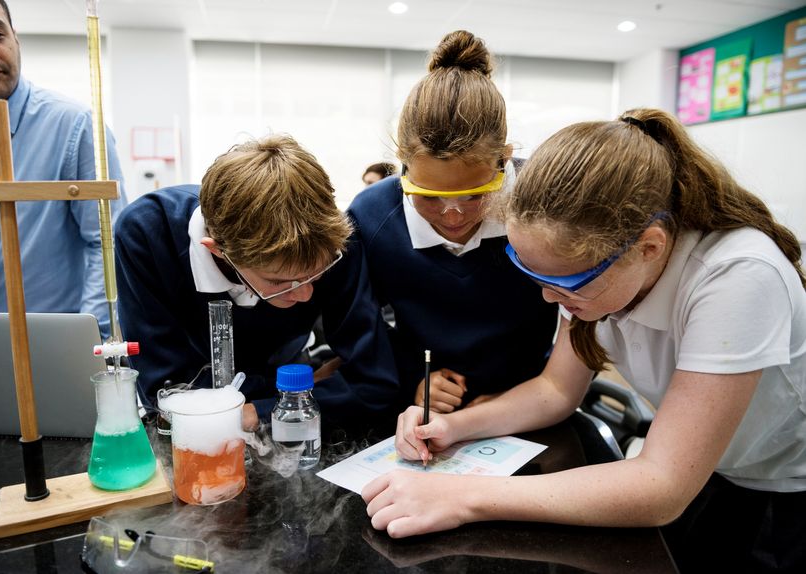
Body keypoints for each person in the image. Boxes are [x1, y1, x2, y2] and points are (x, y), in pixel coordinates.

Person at [363, 109, 806, 573]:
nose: (548, 297)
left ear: (649, 247)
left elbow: (662, 486)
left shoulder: (737, 277)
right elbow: (555, 390)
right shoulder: (598, 271)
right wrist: (456, 428)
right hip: (712, 471)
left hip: (784, 490)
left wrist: (463, 497)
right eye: (533, 273)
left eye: (567, 284)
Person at [115, 134, 399, 431]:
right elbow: (170, 397)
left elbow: (373, 385)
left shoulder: (334, 243)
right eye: (281, 282)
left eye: (316, 273)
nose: (306, 294)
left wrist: (261, 409)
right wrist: (294, 392)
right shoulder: (147, 234)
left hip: (287, 385)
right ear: (217, 250)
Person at [347, 30, 558, 414]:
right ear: (402, 165)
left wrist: (524, 399)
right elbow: (358, 328)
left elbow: (591, 313)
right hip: (423, 401)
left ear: (504, 159)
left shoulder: (545, 200)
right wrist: (412, 377)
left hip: (534, 397)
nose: (453, 214)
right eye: (428, 198)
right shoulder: (371, 216)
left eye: (476, 194)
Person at [0, 0, 127, 338]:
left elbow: (104, 245)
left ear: (15, 39)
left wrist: (86, 343)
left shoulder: (75, 126)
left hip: (53, 342)